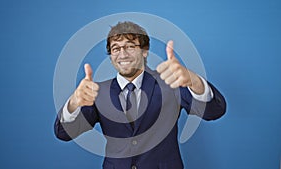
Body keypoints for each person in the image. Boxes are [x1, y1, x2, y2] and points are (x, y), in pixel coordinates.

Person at [54, 21, 226, 169]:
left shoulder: (170, 83)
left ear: (145, 51)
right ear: (111, 55)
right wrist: (74, 103)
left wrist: (193, 80)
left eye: (130, 46)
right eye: (116, 48)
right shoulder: (97, 92)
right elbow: (64, 133)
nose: (123, 53)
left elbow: (214, 111)